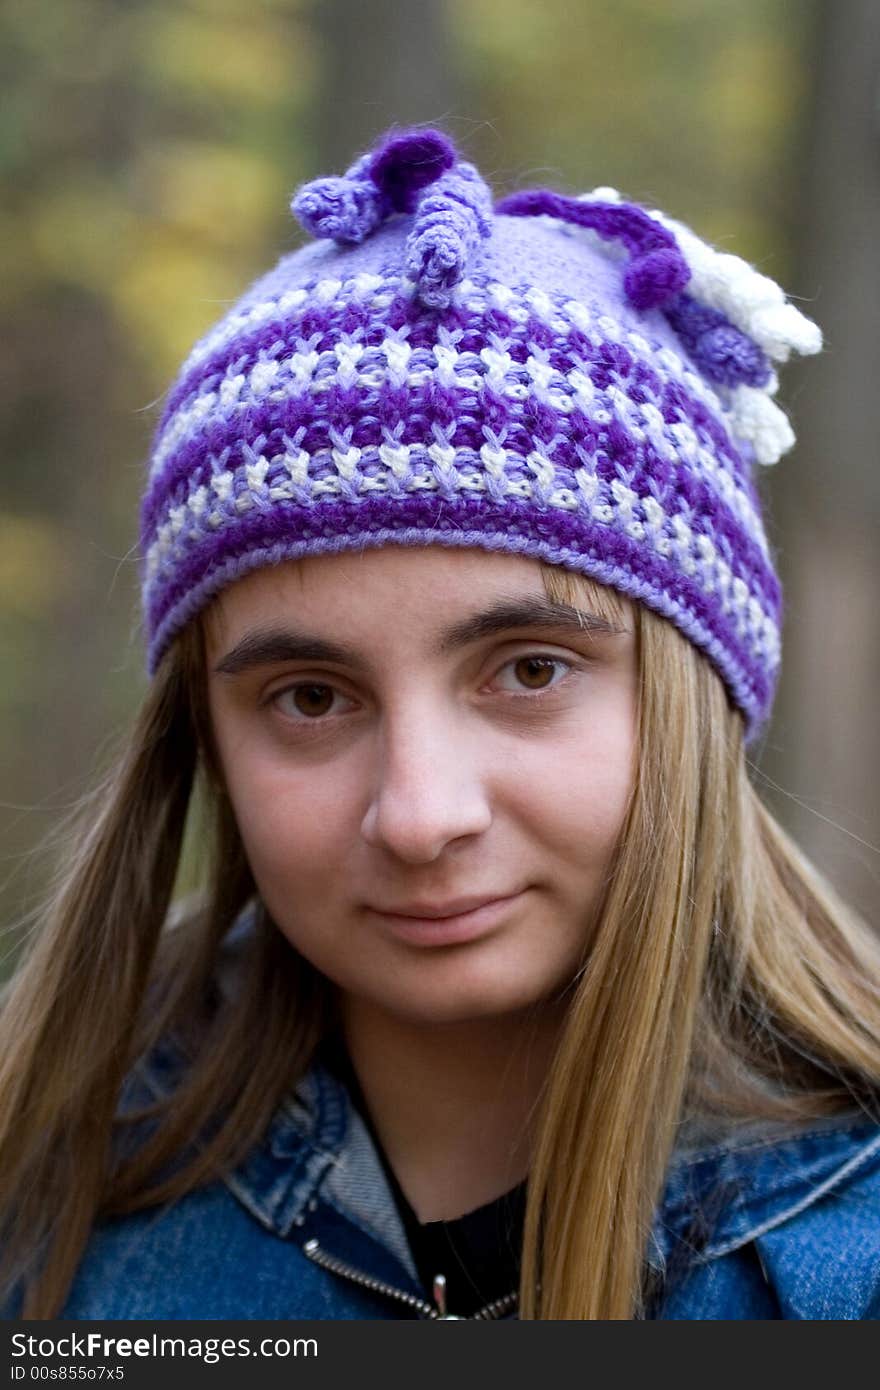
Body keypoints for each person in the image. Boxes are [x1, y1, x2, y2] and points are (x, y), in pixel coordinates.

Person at [1, 126, 879, 1322]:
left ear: (694, 693)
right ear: (204, 736)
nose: (420, 816)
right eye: (310, 698)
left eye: (526, 670)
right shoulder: (47, 1210)